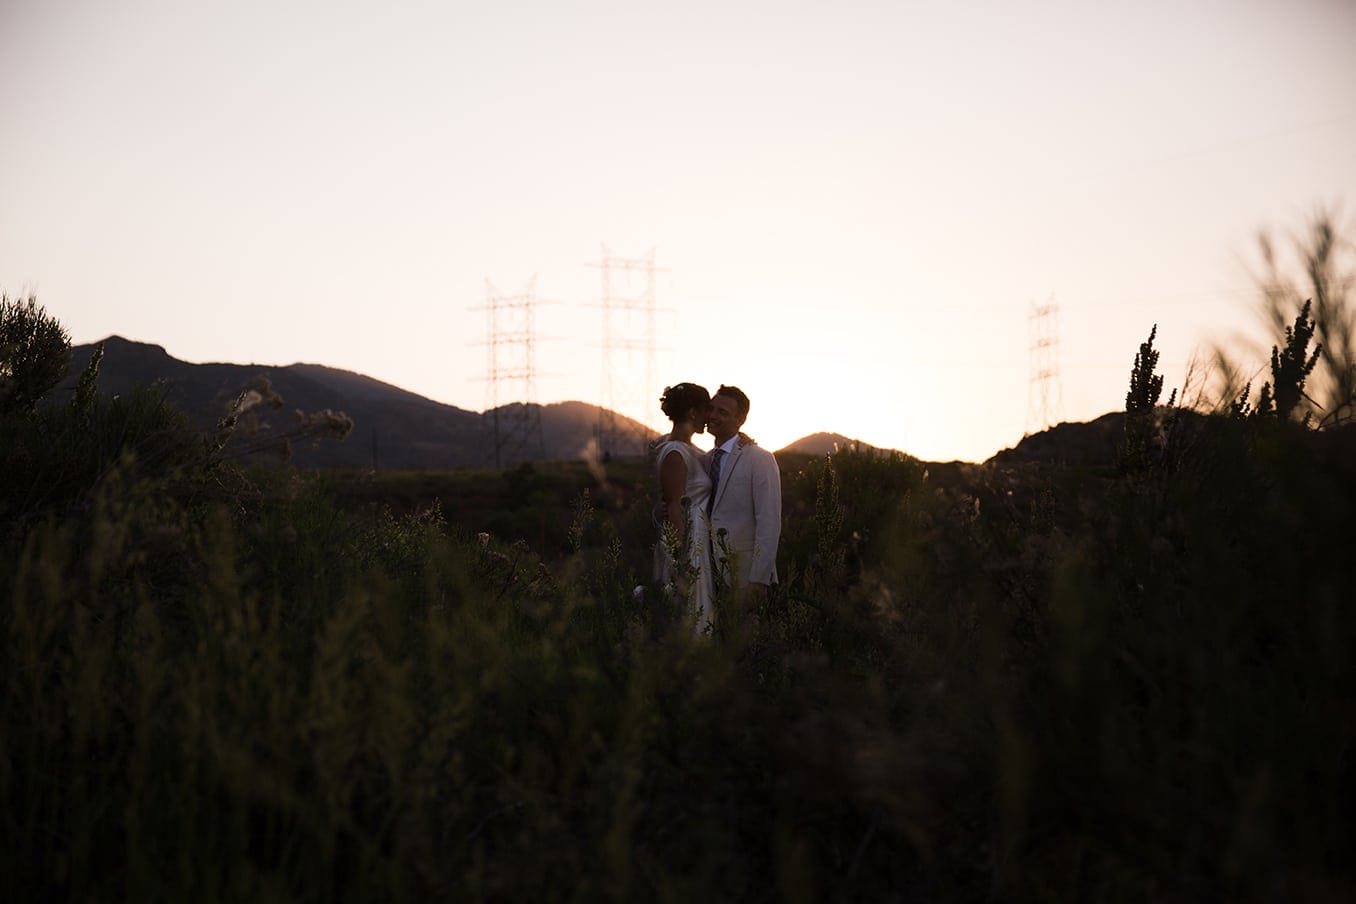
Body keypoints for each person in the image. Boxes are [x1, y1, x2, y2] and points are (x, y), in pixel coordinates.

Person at [705, 385, 781, 610]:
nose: (713, 416)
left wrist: (758, 580)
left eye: (722, 412)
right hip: (704, 577)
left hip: (743, 577)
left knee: (744, 644)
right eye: (711, 409)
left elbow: (769, 521)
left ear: (741, 419)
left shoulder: (760, 459)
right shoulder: (704, 460)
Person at [652, 382, 716, 632]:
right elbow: (674, 507)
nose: (709, 417)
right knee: (688, 615)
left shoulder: (695, 451)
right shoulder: (674, 453)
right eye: (706, 410)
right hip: (687, 542)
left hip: (700, 539)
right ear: (692, 413)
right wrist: (680, 561)